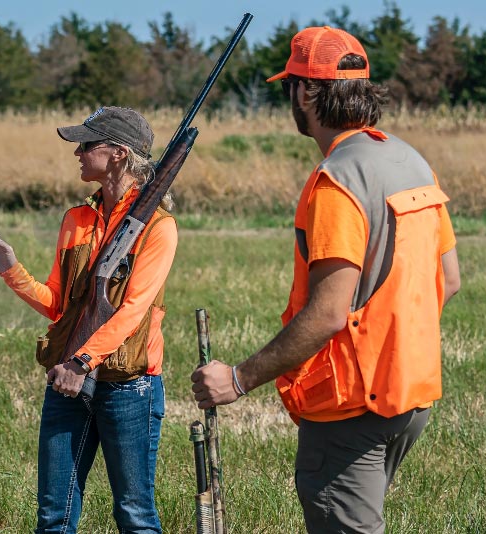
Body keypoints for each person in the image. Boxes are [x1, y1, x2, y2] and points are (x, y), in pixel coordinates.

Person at [190, 26, 461, 533]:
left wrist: (239, 378)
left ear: (306, 93)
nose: (289, 97)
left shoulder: (337, 181)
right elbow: (447, 280)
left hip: (351, 411)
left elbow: (330, 311)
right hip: (411, 396)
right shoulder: (412, 162)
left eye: (290, 84)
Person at [0, 107, 177, 534]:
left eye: (87, 144)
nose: (78, 153)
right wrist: (11, 269)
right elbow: (59, 306)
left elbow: (133, 312)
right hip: (69, 379)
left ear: (119, 153)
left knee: (135, 516)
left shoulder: (157, 227)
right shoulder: (76, 219)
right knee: (53, 517)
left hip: (128, 384)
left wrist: (81, 362)